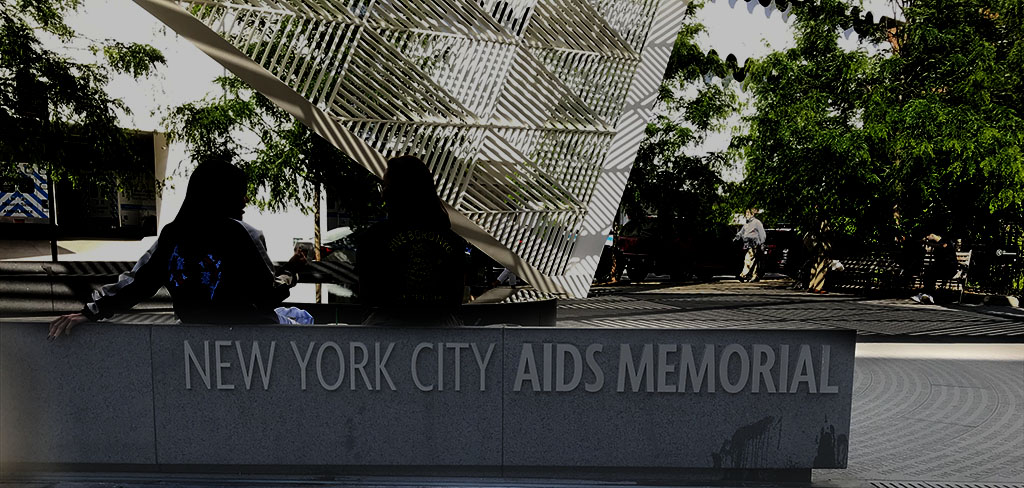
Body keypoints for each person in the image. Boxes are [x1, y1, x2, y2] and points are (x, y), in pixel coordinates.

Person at [48, 160, 307, 339]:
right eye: (240, 193)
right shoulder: (244, 234)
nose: (245, 200)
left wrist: (90, 312)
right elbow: (267, 296)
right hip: (252, 332)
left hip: (191, 334)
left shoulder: (173, 235)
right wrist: (292, 271)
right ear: (222, 195)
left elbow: (138, 283)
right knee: (304, 319)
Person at [356, 156, 467, 326]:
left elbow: (368, 297)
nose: (382, 193)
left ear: (397, 192)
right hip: (443, 339)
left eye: (385, 186)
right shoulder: (454, 242)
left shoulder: (373, 239)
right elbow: (455, 299)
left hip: (384, 340)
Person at [911, 232, 958, 304]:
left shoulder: (946, 241)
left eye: (927, 236)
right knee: (928, 272)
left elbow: (942, 246)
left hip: (949, 269)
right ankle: (927, 294)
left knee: (930, 272)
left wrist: (927, 243)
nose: (926, 238)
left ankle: (929, 295)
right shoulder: (938, 245)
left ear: (932, 235)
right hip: (941, 268)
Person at [734, 209, 766, 282]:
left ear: (752, 214)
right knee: (754, 260)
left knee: (748, 259)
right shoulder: (746, 224)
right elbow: (741, 232)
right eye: (746, 213)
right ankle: (754, 276)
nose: (747, 214)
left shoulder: (757, 222)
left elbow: (762, 233)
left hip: (754, 244)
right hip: (747, 244)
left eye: (748, 213)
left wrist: (762, 243)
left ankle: (743, 275)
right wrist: (737, 236)